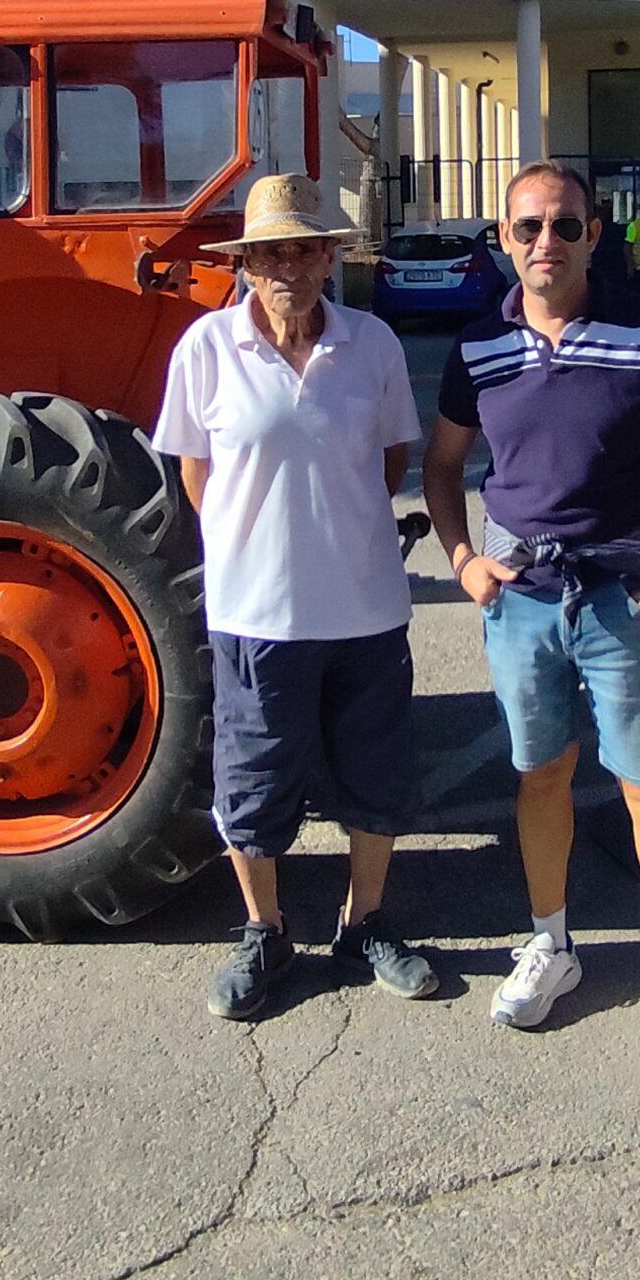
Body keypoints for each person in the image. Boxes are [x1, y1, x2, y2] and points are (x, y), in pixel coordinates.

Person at [424, 161, 640, 1070]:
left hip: (628, 606)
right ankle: (552, 944)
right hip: (522, 603)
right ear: (503, 241)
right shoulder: (477, 350)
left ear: (595, 233)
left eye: (566, 226)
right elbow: (441, 466)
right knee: (540, 775)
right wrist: (464, 558)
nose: (547, 242)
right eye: (527, 227)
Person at [153, 173, 437, 1021]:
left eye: (307, 247)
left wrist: (330, 526)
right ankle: (266, 931)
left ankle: (366, 922)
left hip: (367, 606)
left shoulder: (373, 344)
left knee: (375, 773)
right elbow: (197, 477)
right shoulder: (204, 349)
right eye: (273, 250)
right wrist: (263, 541)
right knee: (253, 777)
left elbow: (388, 465)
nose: (291, 265)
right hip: (255, 612)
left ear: (329, 256)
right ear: (245, 263)